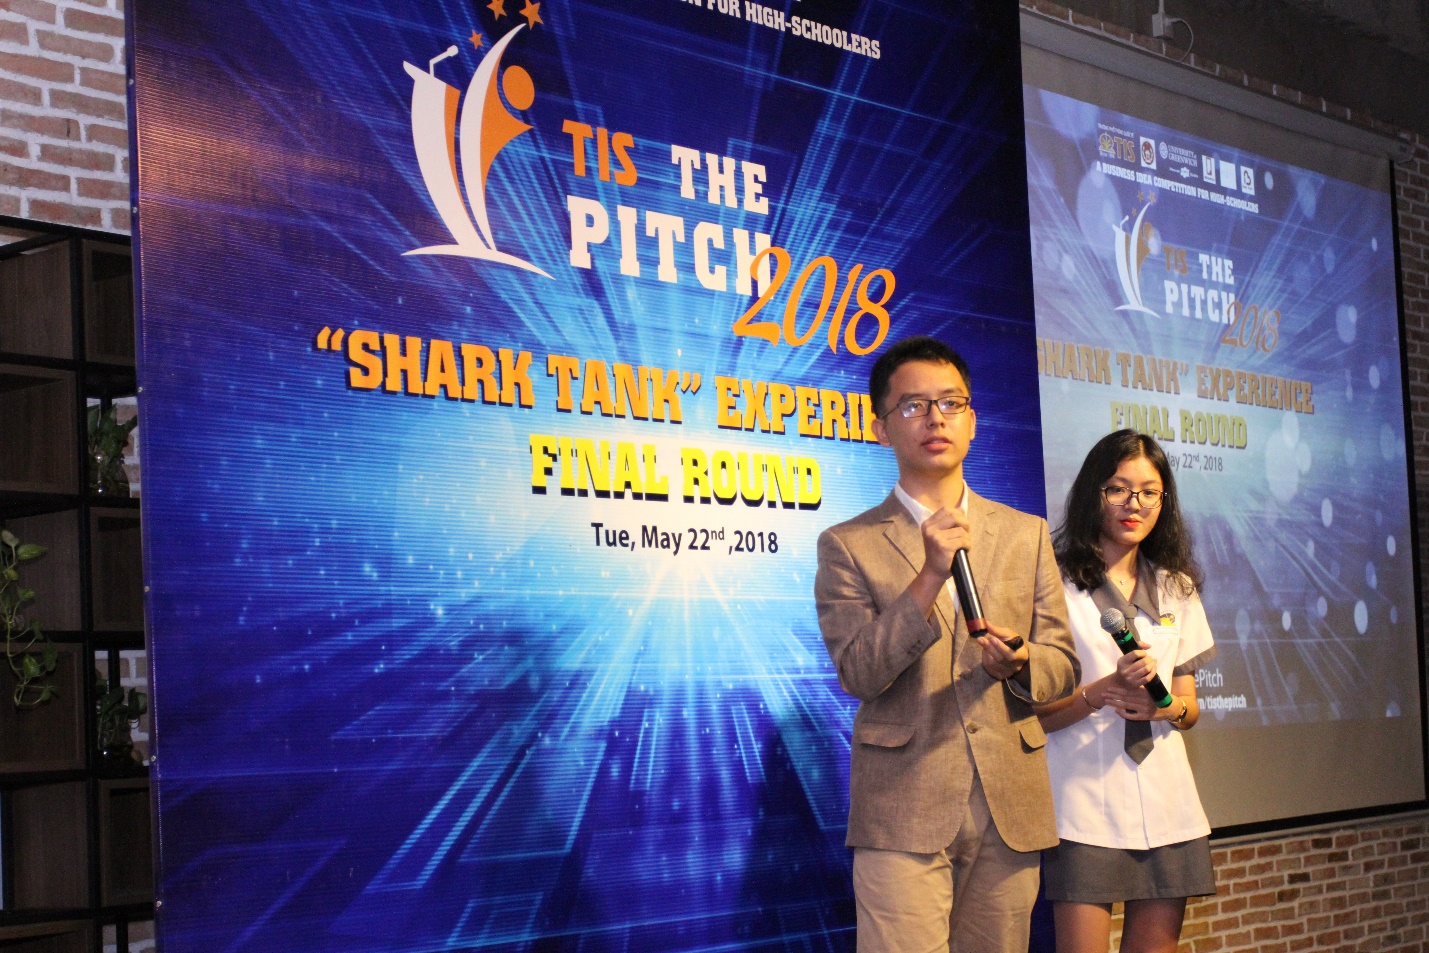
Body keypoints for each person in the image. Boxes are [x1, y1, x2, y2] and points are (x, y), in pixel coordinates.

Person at [814, 335, 1080, 953]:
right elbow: (859, 671)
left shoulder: (1025, 534)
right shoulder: (848, 544)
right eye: (913, 406)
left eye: (951, 403)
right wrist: (929, 575)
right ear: (880, 428)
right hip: (902, 806)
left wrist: (1021, 662)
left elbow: (1063, 666)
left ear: (972, 422)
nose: (936, 418)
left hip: (1008, 803)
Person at [1035, 430, 1218, 953]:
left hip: (1167, 802)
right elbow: (1033, 714)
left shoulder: (1178, 588)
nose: (1133, 504)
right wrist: (1100, 693)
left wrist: (1166, 708)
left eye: (1149, 492)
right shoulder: (1053, 582)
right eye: (1117, 489)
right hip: (1081, 801)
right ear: (1092, 493)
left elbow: (1189, 708)